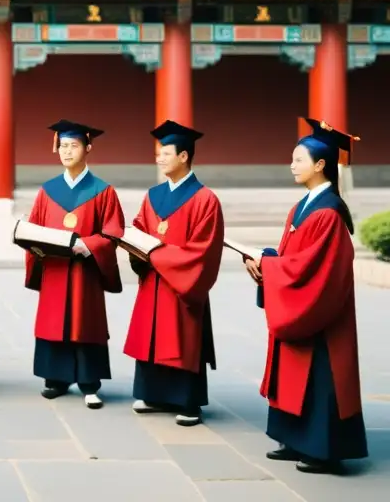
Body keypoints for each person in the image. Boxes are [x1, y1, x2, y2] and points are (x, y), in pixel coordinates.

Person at [244, 118, 368, 474]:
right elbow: (291, 259)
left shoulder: (328, 213)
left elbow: (313, 269)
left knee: (319, 376)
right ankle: (295, 438)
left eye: (298, 159)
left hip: (320, 310)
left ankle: (321, 449)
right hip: (299, 297)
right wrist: (267, 263)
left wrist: (271, 267)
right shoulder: (302, 206)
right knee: (295, 371)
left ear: (320, 165)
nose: (291, 165)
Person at [124, 120, 224, 427]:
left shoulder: (205, 199)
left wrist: (158, 255)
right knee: (152, 335)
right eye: (158, 153)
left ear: (184, 156)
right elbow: (141, 227)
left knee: (183, 338)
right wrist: (132, 242)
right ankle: (152, 394)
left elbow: (202, 252)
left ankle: (188, 401)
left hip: (182, 286)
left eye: (166, 153)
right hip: (153, 283)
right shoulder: (152, 195)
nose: (159, 158)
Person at [25, 120, 124, 408]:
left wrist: (88, 245)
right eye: (63, 146)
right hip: (55, 269)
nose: (67, 152)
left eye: (74, 146)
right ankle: (55, 378)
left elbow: (113, 232)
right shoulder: (47, 191)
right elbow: (35, 226)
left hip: (85, 271)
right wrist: (34, 246)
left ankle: (89, 383)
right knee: (54, 319)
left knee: (85, 321)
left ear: (88, 148)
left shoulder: (103, 191)